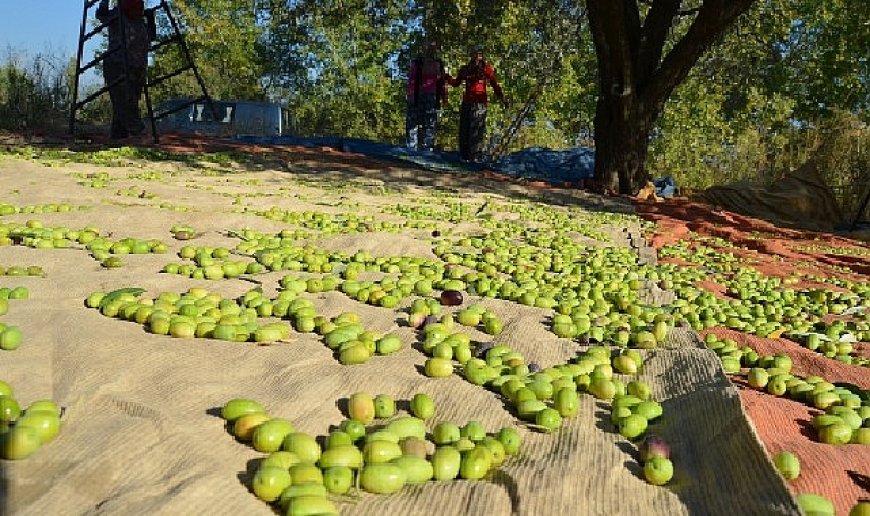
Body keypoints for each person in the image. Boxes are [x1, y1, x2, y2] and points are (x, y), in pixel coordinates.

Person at [97, 0, 151, 139]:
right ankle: (133, 130)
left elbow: (151, 36)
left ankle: (122, 135)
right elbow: (101, 15)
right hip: (118, 65)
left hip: (135, 67)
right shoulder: (119, 17)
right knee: (123, 101)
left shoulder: (139, 22)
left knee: (127, 101)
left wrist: (151, 19)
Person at [448, 46, 507, 162]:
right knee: (464, 130)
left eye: (480, 53)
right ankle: (463, 157)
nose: (477, 56)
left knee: (476, 132)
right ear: (471, 54)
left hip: (480, 104)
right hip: (467, 103)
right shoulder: (465, 69)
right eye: (475, 53)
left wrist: (502, 99)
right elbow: (456, 83)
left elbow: (495, 85)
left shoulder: (486, 69)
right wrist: (447, 78)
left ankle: (474, 157)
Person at [405, 41, 449, 152]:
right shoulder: (417, 63)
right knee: (413, 122)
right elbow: (411, 79)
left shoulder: (439, 64)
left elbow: (443, 81)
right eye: (427, 48)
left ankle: (427, 148)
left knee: (430, 123)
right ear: (423, 50)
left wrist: (444, 97)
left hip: (432, 96)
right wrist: (410, 94)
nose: (429, 50)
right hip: (417, 95)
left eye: (432, 48)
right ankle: (411, 148)